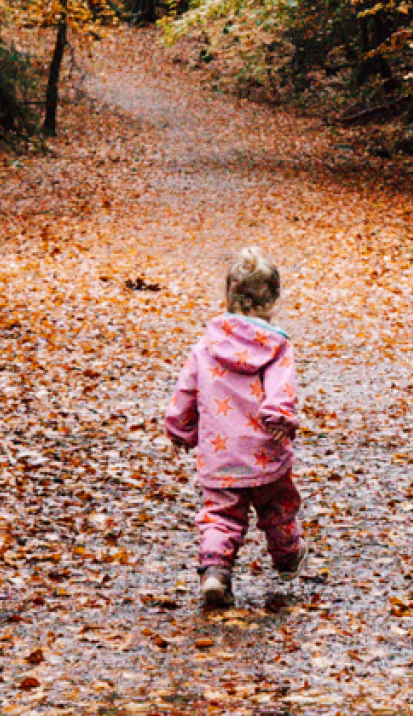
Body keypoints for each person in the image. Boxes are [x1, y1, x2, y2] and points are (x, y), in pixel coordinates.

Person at [162, 247, 303, 609]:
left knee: (220, 515)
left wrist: (180, 429)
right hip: (264, 451)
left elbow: (186, 390)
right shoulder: (277, 346)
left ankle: (215, 572)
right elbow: (281, 388)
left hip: (220, 454)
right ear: (273, 299)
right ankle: (287, 556)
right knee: (278, 507)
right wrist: (279, 417)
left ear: (229, 296)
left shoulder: (205, 347)